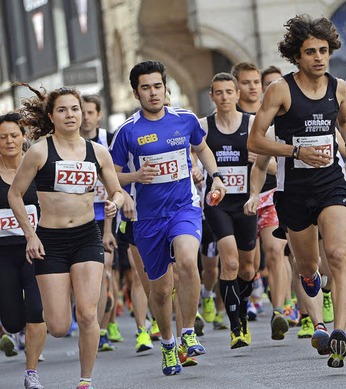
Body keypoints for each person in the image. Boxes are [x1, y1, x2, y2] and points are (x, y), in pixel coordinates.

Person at [248, 14, 346, 368]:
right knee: (308, 267)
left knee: (340, 256)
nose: (318, 58)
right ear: (297, 56)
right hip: (293, 190)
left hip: (331, 183)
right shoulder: (280, 90)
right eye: (310, 52)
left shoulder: (338, 86)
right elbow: (256, 139)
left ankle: (339, 332)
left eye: (323, 51)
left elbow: (345, 119)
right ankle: (316, 309)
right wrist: (296, 151)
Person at [110, 60, 226, 376]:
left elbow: (202, 149)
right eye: (145, 88)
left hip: (184, 208)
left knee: (188, 261)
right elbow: (112, 177)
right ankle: (168, 344)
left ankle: (188, 332)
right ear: (136, 93)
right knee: (160, 290)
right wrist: (136, 175)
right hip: (147, 219)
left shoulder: (185, 120)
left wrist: (215, 176)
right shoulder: (127, 132)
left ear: (166, 88)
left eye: (157, 86)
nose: (152, 93)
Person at [9, 85, 124, 389]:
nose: (70, 115)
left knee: (87, 314)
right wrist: (30, 235)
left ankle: (85, 380)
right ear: (51, 115)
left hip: (87, 237)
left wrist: (116, 202)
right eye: (62, 110)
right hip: (51, 241)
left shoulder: (98, 152)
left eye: (74, 108)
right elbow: (15, 194)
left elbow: (117, 190)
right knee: (59, 326)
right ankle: (65, 291)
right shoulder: (39, 151)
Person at [200, 72, 260, 348]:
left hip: (246, 203)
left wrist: (259, 163)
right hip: (217, 203)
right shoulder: (203, 126)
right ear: (212, 96)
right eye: (218, 92)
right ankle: (235, 326)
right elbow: (192, 153)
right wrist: (195, 171)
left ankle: (243, 311)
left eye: (229, 92)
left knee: (248, 268)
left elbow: (269, 166)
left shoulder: (252, 124)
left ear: (238, 95)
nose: (224, 97)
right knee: (231, 262)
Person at [0, 113, 47, 389]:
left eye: (13, 135)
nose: (9, 141)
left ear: (23, 137)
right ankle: (8, 330)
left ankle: (31, 374)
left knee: (36, 310)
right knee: (14, 320)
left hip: (34, 250)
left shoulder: (37, 170)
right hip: (3, 253)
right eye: (3, 137)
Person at [78, 95, 122, 351]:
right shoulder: (68, 145)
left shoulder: (107, 140)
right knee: (93, 275)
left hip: (106, 213)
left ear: (98, 115)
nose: (85, 117)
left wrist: (109, 227)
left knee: (106, 269)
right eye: (82, 112)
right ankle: (96, 322)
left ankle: (106, 325)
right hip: (81, 216)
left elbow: (113, 184)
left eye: (89, 112)